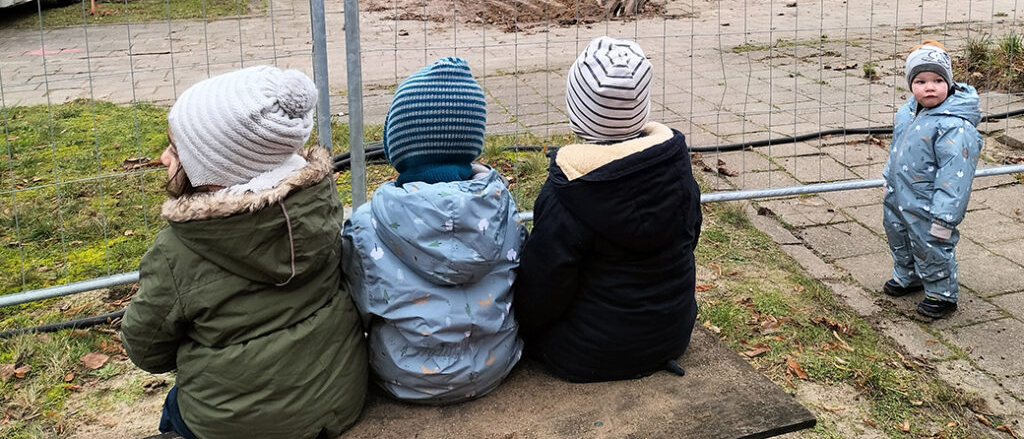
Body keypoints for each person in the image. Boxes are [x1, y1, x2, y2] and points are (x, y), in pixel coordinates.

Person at [120, 66, 367, 439]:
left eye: (174, 150)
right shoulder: (321, 207)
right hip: (341, 395)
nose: (163, 158)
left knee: (176, 407)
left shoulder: (178, 252)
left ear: (213, 169)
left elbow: (146, 349)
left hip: (238, 426)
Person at [514, 36, 703, 382]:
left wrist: (523, 328)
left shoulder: (568, 192)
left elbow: (543, 287)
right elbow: (689, 241)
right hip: (673, 334)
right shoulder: (677, 173)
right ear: (642, 109)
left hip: (587, 353)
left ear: (576, 115)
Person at [342, 57, 525, 404]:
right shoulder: (503, 211)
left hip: (405, 377)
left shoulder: (366, 226)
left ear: (397, 144)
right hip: (494, 366)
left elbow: (359, 305)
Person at [882, 41, 983, 320]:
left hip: (931, 204)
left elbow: (955, 175)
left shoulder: (954, 126)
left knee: (932, 244)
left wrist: (945, 217)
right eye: (921, 81)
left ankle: (942, 293)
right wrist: (887, 179)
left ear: (949, 83)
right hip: (899, 193)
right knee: (898, 235)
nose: (930, 87)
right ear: (910, 84)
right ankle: (908, 275)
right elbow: (896, 150)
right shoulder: (907, 113)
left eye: (938, 80)